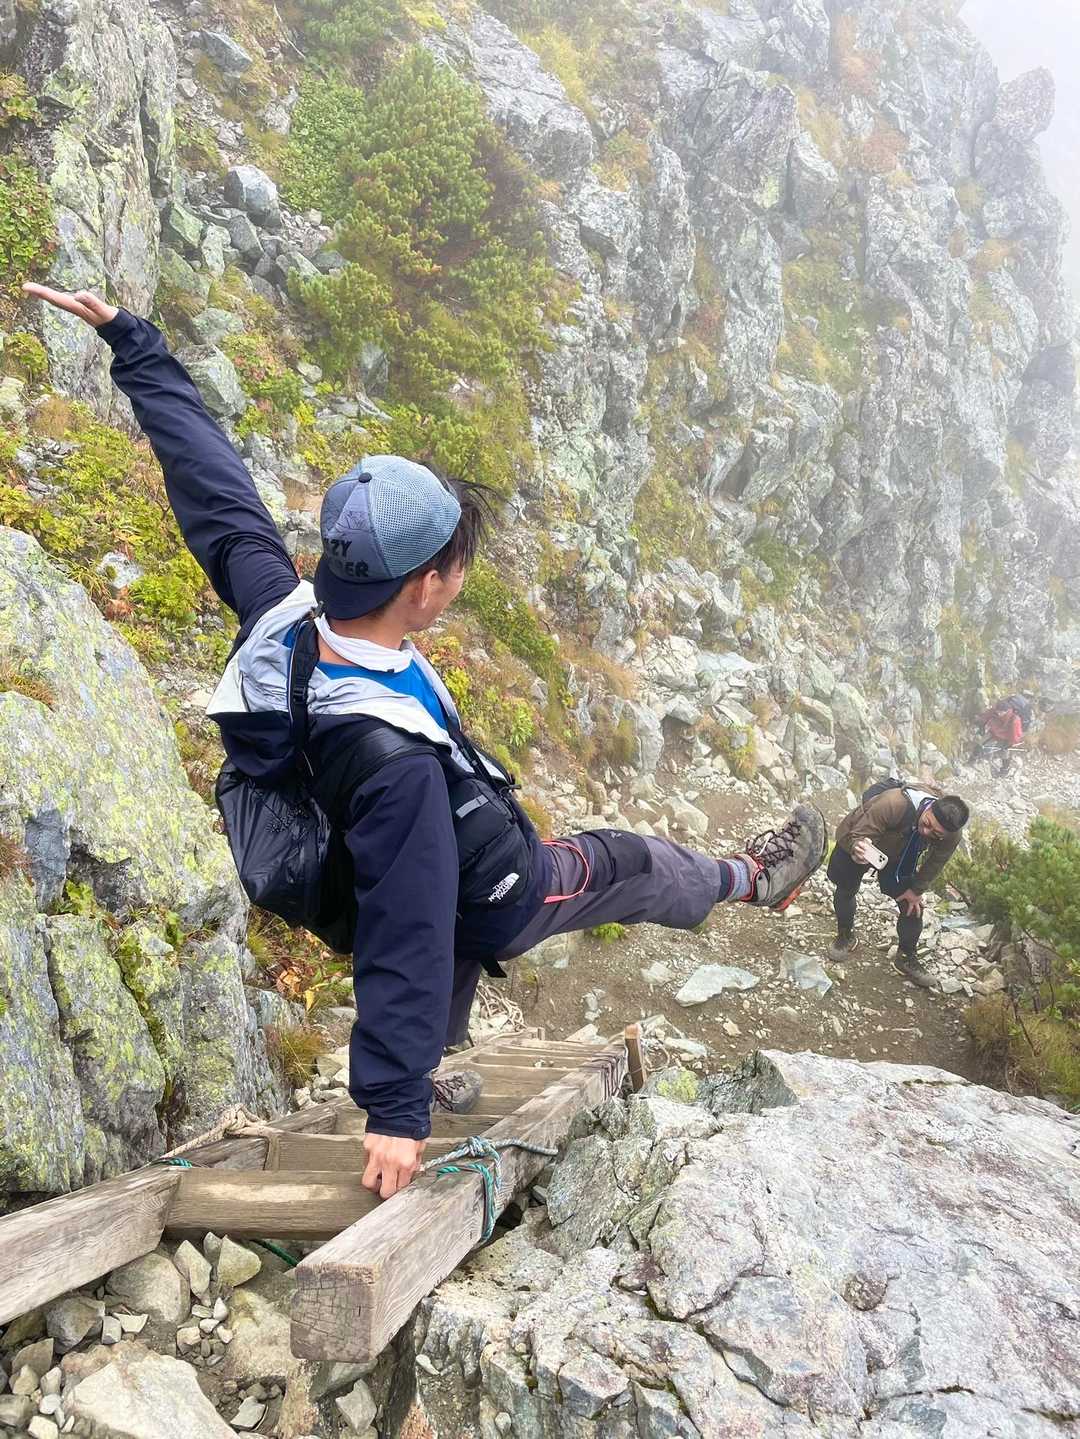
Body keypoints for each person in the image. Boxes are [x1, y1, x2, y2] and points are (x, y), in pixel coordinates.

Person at [24, 286, 828, 1200]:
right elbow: (406, 920)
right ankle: (751, 878)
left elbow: (218, 494)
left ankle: (432, 1057)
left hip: (362, 866)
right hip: (496, 889)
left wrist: (136, 348)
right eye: (456, 565)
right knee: (622, 863)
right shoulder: (396, 764)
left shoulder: (285, 616)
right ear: (424, 587)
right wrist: (398, 1112)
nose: (461, 576)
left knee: (427, 903)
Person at [826, 780, 970, 988]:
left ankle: (906, 957)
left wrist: (916, 890)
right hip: (863, 840)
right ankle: (845, 935)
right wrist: (858, 847)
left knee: (912, 905)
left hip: (901, 854)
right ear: (929, 807)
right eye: (927, 823)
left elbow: (936, 862)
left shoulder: (952, 834)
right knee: (846, 888)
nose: (926, 832)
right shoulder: (892, 803)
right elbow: (858, 834)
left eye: (936, 834)